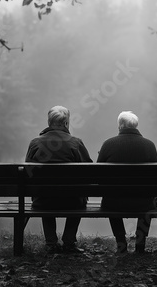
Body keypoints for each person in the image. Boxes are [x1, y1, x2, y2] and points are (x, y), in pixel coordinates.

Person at [25, 105, 92, 254]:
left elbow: (27, 173)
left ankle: (51, 242)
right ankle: (68, 241)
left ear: (49, 122)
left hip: (43, 201)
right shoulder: (76, 143)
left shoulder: (35, 143)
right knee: (79, 194)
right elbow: (90, 171)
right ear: (66, 123)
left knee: (44, 192)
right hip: (72, 201)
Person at [98, 111, 157, 253]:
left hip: (113, 203)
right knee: (148, 197)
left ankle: (121, 242)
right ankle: (140, 245)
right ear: (136, 126)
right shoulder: (149, 145)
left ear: (120, 126)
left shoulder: (108, 144)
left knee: (111, 196)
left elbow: (98, 176)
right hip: (143, 203)